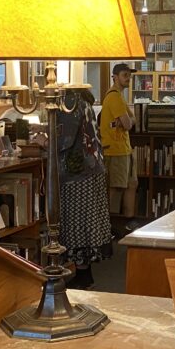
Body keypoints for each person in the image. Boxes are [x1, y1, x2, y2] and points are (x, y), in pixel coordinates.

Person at [57, 88, 113, 289]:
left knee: (76, 222)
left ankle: (82, 274)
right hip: (91, 167)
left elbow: (65, 139)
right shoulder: (85, 100)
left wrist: (44, 140)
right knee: (87, 221)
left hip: (77, 172)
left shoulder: (70, 102)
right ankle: (84, 273)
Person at [99, 63, 138, 219]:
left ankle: (129, 221)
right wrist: (126, 121)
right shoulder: (114, 96)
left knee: (131, 184)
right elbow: (129, 124)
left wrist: (125, 121)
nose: (128, 78)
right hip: (115, 149)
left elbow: (133, 119)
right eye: (124, 75)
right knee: (115, 189)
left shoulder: (120, 97)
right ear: (115, 77)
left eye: (129, 75)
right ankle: (109, 226)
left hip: (124, 148)